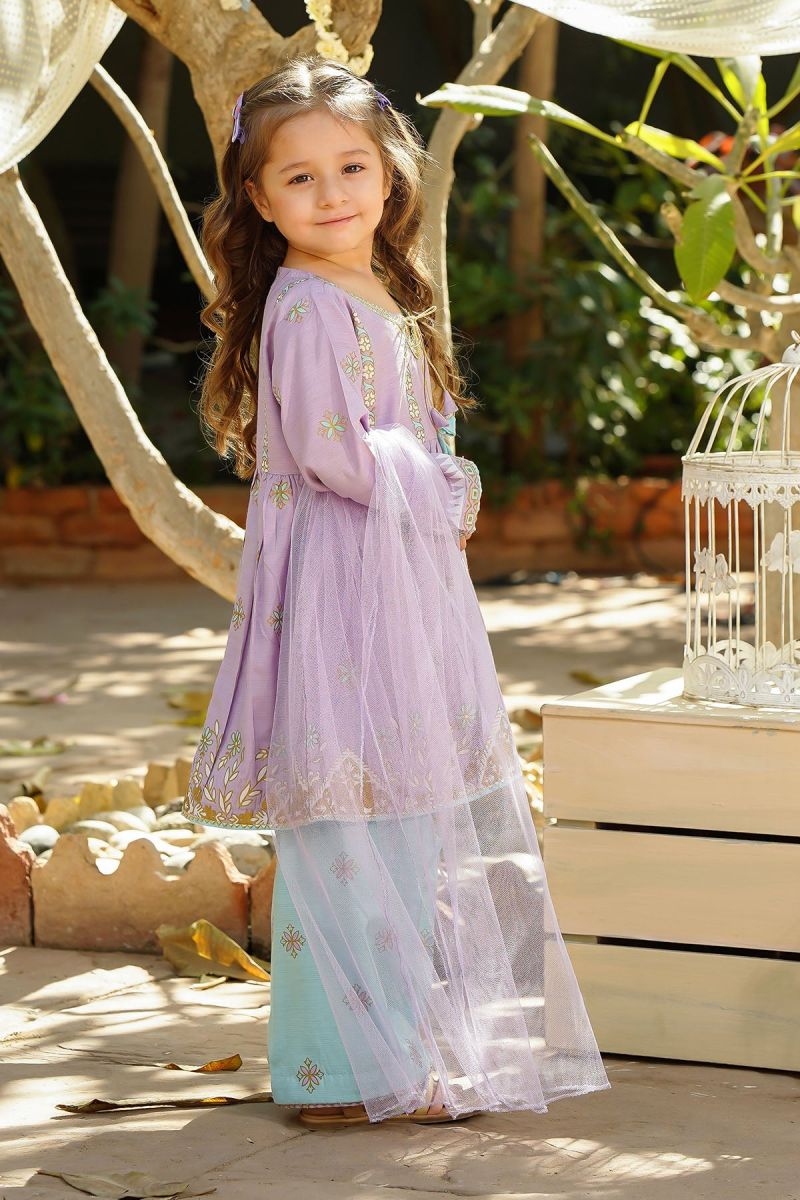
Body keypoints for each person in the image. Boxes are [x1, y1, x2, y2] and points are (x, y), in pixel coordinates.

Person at [182, 53, 610, 1128]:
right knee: (342, 812)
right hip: (340, 573)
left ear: (389, 174)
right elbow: (335, 456)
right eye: (299, 177)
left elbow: (409, 425)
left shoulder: (383, 285)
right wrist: (445, 485)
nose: (331, 194)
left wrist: (433, 478)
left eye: (352, 167)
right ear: (257, 198)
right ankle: (336, 1072)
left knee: (402, 805)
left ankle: (395, 1053)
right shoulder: (304, 306)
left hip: (393, 572)